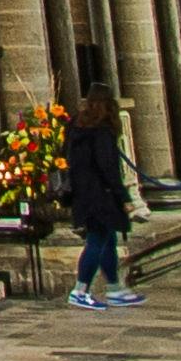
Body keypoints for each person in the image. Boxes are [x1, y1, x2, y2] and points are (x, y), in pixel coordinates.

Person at [60, 87, 138, 309]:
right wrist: (123, 196)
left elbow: (65, 156)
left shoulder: (76, 126)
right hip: (100, 194)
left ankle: (114, 288)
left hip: (83, 192)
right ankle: (80, 290)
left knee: (107, 239)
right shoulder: (101, 130)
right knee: (96, 241)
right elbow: (108, 167)